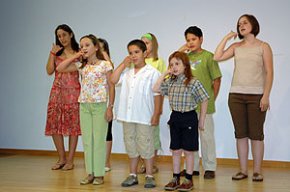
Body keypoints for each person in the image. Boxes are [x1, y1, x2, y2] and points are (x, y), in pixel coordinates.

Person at [213, 14, 273, 182]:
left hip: (257, 96)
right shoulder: (236, 46)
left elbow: (269, 72)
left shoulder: (263, 46)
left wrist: (266, 96)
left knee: (256, 135)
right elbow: (217, 57)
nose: (241, 25)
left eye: (245, 22)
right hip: (236, 96)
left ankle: (257, 171)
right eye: (239, 24)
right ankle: (243, 170)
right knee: (240, 135)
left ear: (254, 25)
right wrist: (227, 37)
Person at [56, 34, 115, 185]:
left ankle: (99, 174)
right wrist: (76, 55)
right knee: (87, 141)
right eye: (82, 45)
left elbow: (111, 85)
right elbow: (60, 68)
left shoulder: (105, 65)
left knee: (98, 141)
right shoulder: (81, 66)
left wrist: (110, 107)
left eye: (87, 45)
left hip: (100, 105)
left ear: (96, 47)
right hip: (84, 105)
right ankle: (90, 173)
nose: (84, 48)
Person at [153, 51, 209, 191]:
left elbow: (204, 99)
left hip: (189, 117)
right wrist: (165, 73)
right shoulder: (170, 81)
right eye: (171, 64)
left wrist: (201, 119)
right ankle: (175, 178)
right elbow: (155, 88)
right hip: (175, 117)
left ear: (185, 65)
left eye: (177, 64)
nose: (174, 67)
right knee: (176, 150)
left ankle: (188, 179)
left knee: (189, 151)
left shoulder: (193, 81)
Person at [111, 39, 162, 188]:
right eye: (130, 53)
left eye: (136, 52)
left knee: (146, 146)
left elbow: (157, 95)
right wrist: (122, 64)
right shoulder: (127, 73)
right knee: (131, 145)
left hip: (144, 116)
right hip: (127, 116)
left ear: (145, 53)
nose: (133, 56)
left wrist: (156, 114)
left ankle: (149, 175)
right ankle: (132, 175)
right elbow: (113, 80)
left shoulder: (152, 73)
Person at [178, 26, 222, 179]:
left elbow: (216, 79)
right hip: (187, 106)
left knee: (206, 137)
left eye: (193, 39)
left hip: (204, 106)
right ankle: (193, 167)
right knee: (189, 138)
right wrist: (182, 50)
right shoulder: (185, 58)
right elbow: (174, 65)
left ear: (201, 39)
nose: (190, 42)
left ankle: (209, 167)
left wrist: (211, 99)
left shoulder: (209, 57)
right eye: (188, 40)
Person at [45, 24, 80, 171]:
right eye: (59, 36)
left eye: (64, 34)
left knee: (73, 127)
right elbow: (49, 71)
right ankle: (62, 158)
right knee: (54, 126)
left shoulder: (79, 52)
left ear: (71, 34)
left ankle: (70, 160)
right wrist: (52, 54)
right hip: (57, 93)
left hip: (73, 93)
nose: (62, 38)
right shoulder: (57, 53)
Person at [137, 33, 166, 174]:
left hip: (152, 104)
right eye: (142, 43)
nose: (145, 46)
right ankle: (144, 163)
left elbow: (161, 85)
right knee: (139, 135)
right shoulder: (135, 62)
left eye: (147, 43)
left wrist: (158, 108)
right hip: (138, 105)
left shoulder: (158, 62)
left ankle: (152, 164)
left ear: (153, 45)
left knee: (152, 135)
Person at [98, 38, 114, 172]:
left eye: (102, 48)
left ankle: (106, 161)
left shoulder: (107, 64)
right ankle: (95, 161)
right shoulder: (90, 64)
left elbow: (111, 68)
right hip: (92, 104)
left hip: (106, 103)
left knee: (107, 133)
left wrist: (104, 53)